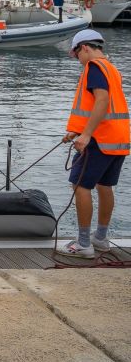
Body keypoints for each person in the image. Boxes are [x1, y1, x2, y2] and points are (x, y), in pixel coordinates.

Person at [56, 29, 128, 258]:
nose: (78, 60)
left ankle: (83, 243)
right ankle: (100, 238)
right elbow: (99, 104)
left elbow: (102, 100)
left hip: (99, 138)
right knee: (105, 186)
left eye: (76, 55)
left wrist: (85, 135)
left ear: (84, 47)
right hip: (118, 138)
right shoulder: (111, 68)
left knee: (80, 186)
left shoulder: (94, 67)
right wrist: (76, 131)